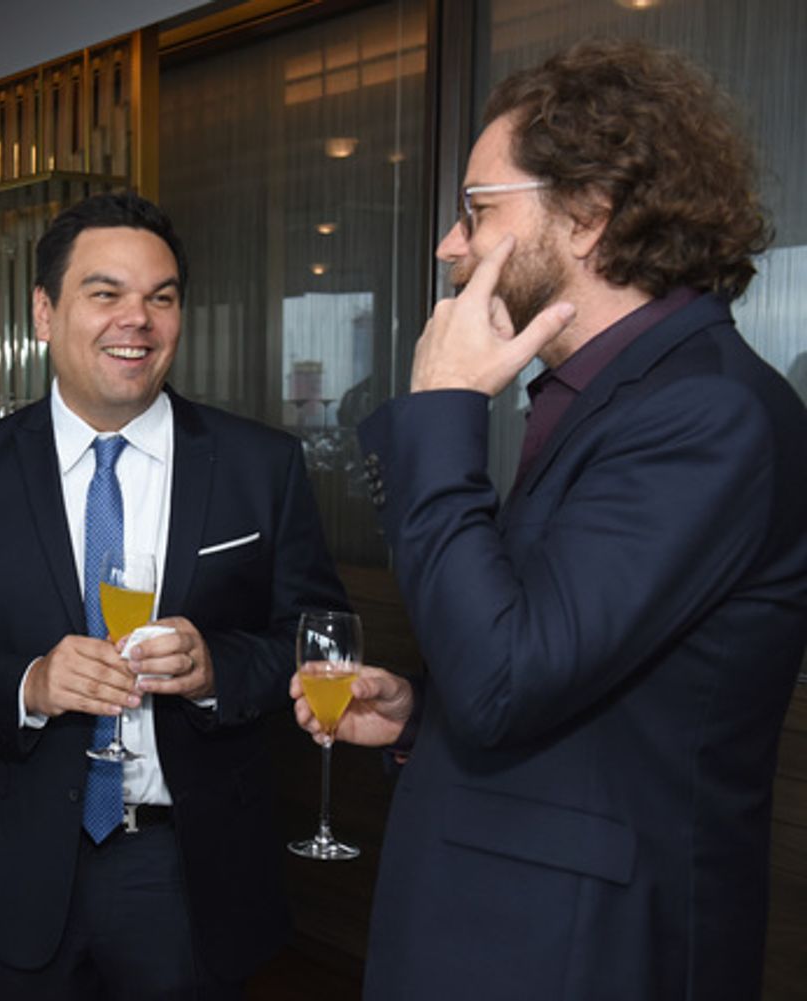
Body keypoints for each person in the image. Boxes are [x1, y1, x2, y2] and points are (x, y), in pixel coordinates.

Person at [291, 38, 807, 1000]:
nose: (451, 245)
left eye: (477, 211)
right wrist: (420, 713)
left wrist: (442, 410)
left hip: (581, 950)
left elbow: (507, 680)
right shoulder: (610, 394)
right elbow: (548, 652)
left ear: (587, 216)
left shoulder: (706, 412)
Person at [0, 191, 349, 999]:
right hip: (22, 866)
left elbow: (315, 639)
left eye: (161, 298)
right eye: (105, 294)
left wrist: (216, 670)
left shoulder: (258, 465)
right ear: (43, 312)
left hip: (185, 868)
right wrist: (28, 684)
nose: (138, 319)